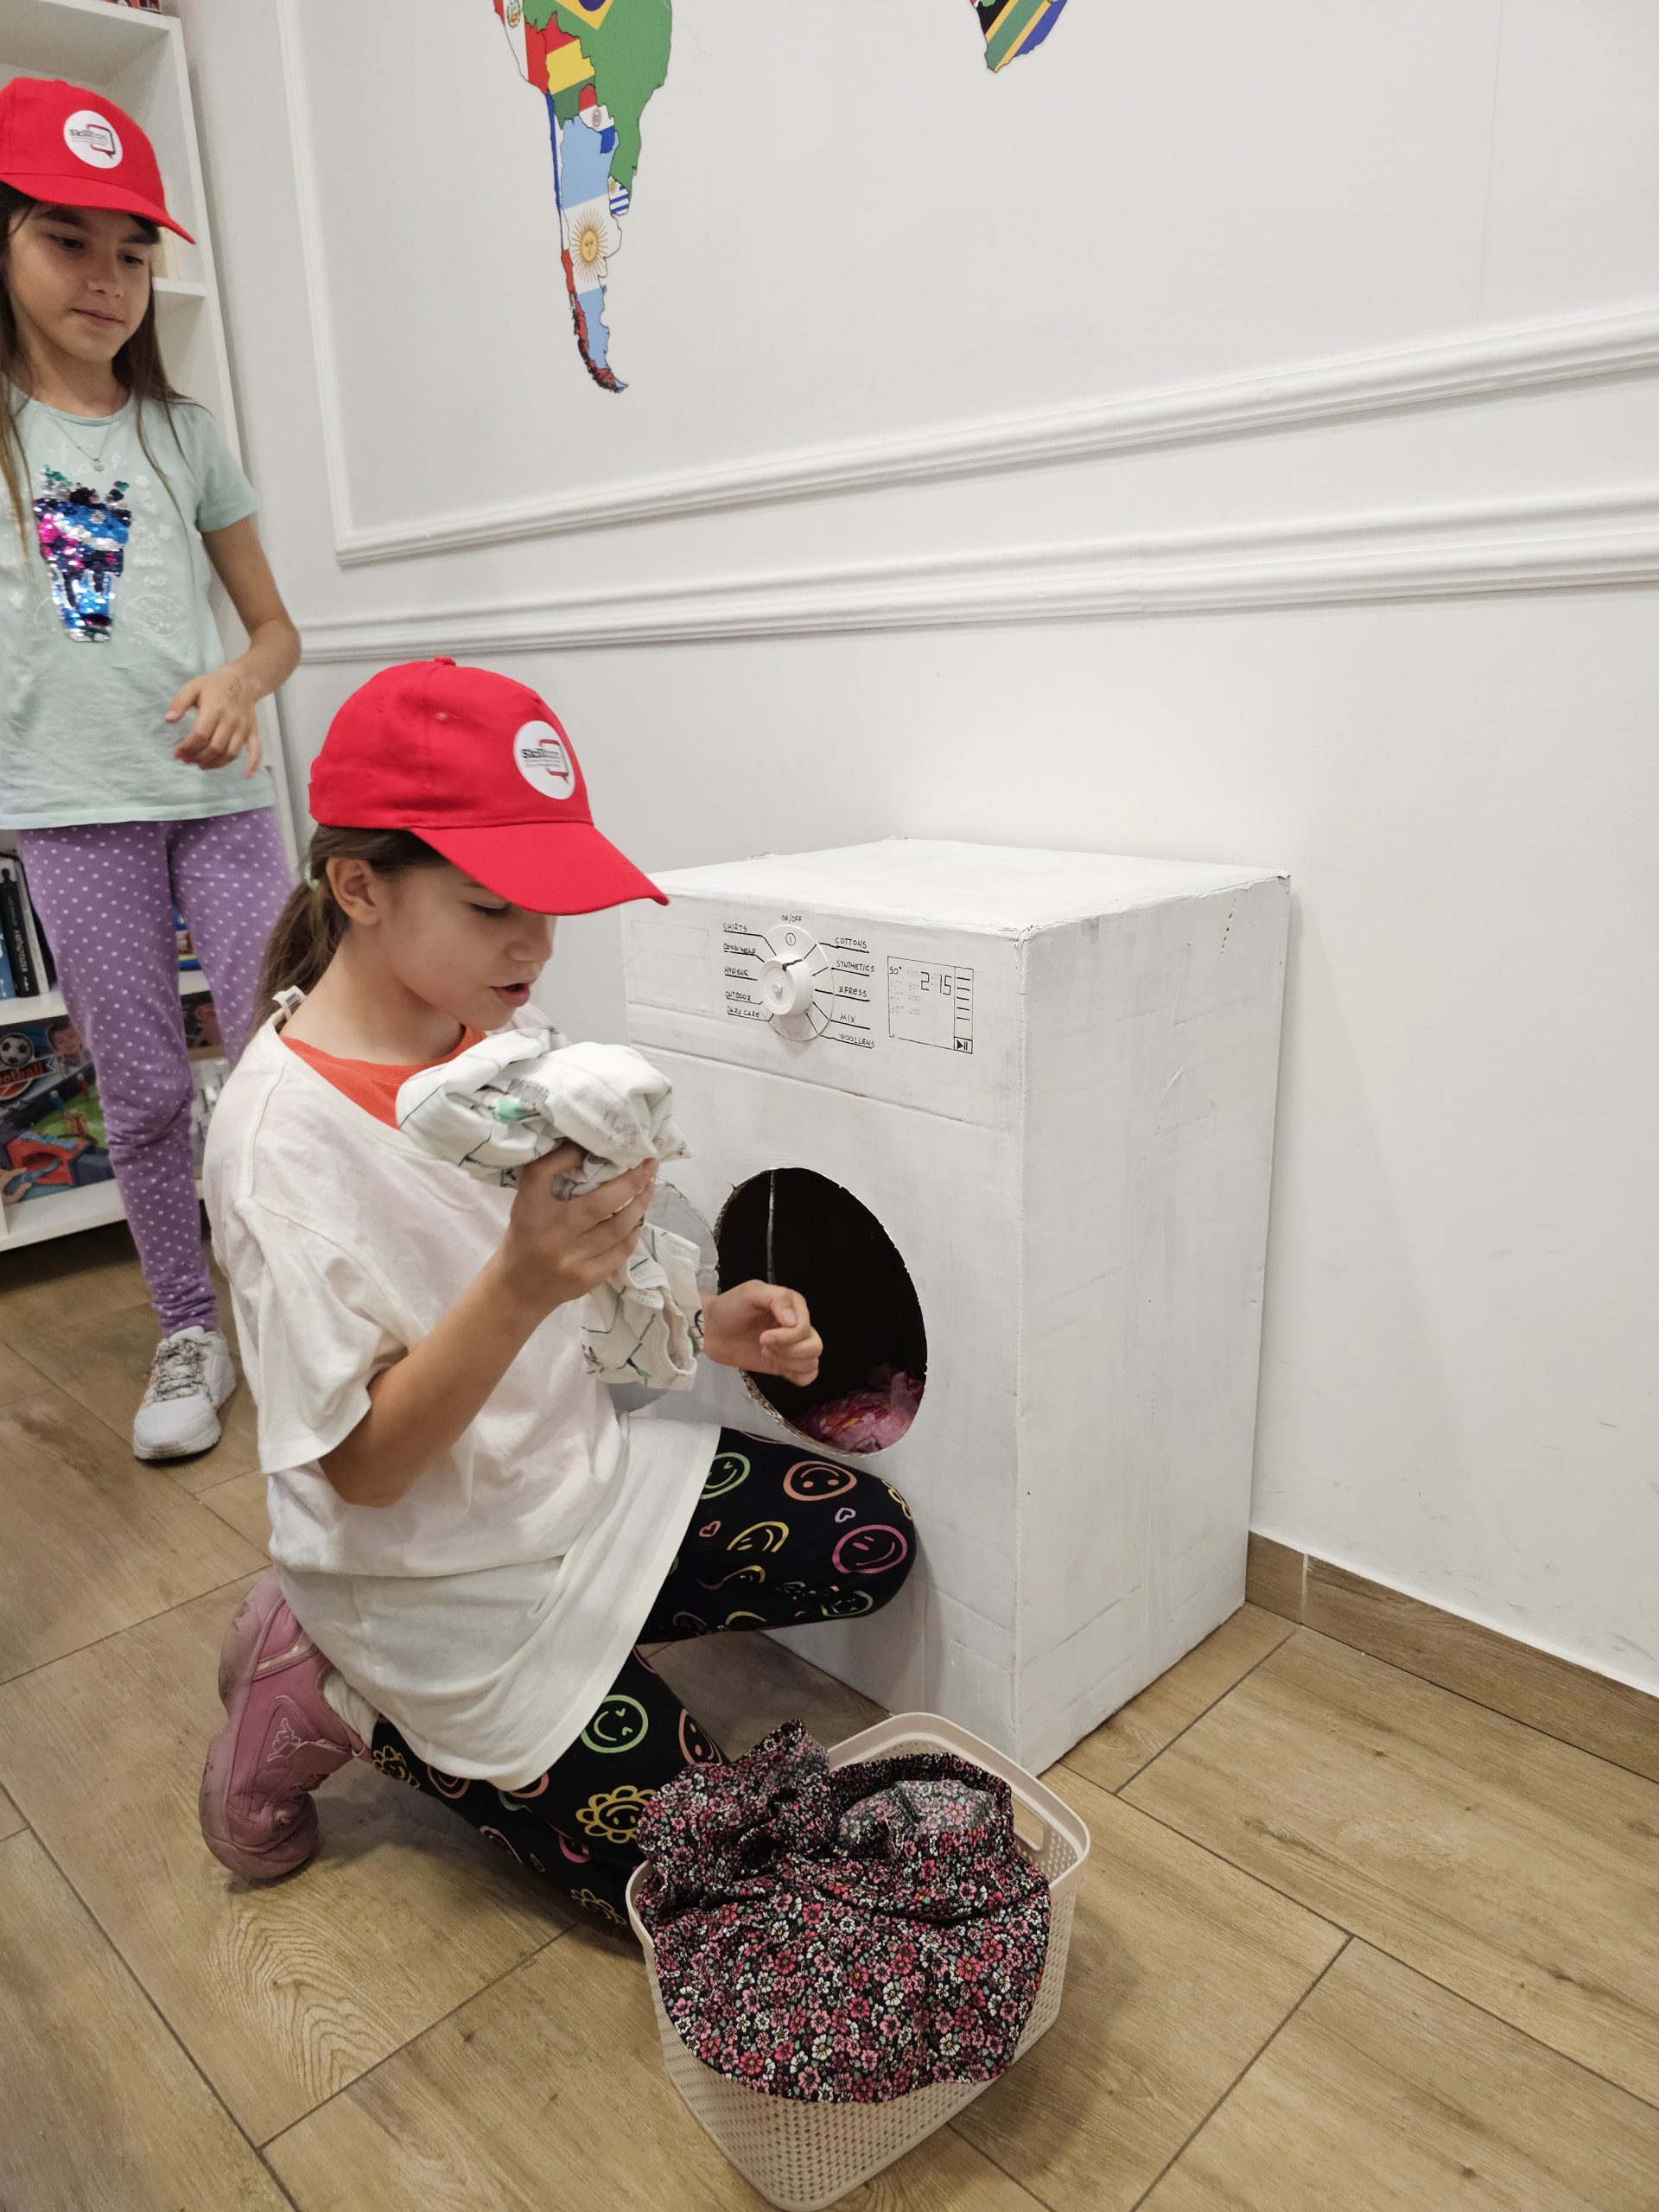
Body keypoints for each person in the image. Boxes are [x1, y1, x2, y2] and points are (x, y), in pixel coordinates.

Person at [198, 659, 916, 1924]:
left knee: (872, 1540)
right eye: (492, 908)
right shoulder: (281, 1154)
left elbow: (586, 1280)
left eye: (550, 906)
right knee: (713, 1887)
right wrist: (521, 1286)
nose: (533, 947)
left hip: (574, 1482)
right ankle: (332, 1684)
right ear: (358, 888)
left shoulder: (492, 1038)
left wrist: (707, 1325)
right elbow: (361, 1471)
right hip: (425, 1577)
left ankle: (579, 1668)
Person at [0, 77, 299, 1459]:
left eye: (131, 252)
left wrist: (239, 682)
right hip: (75, 814)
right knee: (143, 1089)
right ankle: (190, 1323)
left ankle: (303, 1298)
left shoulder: (183, 436)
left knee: (283, 1063)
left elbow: (277, 629)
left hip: (218, 804)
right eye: (66, 240)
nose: (106, 279)